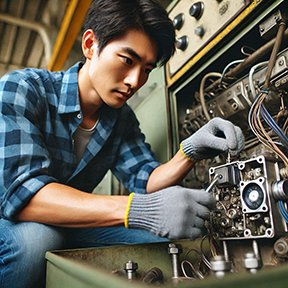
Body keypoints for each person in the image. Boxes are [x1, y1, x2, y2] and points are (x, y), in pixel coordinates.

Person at [0, 0, 244, 287]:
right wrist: (134, 211)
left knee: (160, 246)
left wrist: (188, 152)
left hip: (70, 223)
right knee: (36, 241)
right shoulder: (23, 88)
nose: (135, 81)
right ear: (90, 45)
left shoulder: (120, 118)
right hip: (10, 219)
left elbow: (145, 179)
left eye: (147, 69)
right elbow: (23, 195)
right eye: (127, 61)